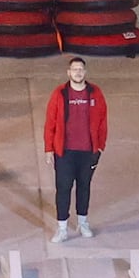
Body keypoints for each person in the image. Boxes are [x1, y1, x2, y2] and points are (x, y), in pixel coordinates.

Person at [42, 56, 109, 243]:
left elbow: (103, 121)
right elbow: (50, 122)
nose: (78, 72)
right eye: (74, 69)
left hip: (88, 152)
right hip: (65, 152)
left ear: (85, 72)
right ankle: (62, 228)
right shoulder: (59, 94)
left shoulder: (95, 93)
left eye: (81, 69)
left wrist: (100, 147)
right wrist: (49, 148)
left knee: (84, 187)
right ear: (68, 72)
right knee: (63, 188)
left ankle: (83, 222)